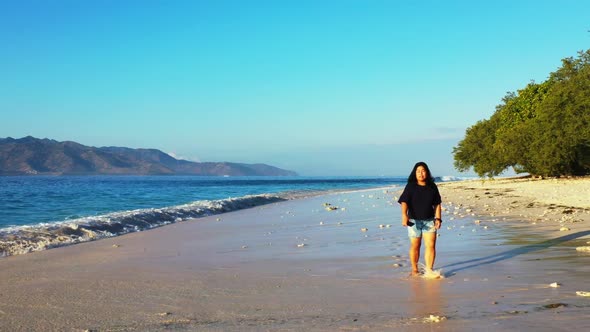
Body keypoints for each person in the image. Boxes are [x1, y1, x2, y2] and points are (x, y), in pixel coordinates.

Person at [398, 162, 442, 276]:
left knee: (431, 245)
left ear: (427, 172)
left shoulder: (432, 186)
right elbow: (404, 201)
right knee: (415, 245)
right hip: (413, 221)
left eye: (423, 171)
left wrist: (438, 218)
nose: (420, 173)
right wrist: (404, 215)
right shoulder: (410, 186)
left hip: (429, 220)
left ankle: (429, 270)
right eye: (418, 171)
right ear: (414, 173)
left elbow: (437, 204)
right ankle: (414, 270)